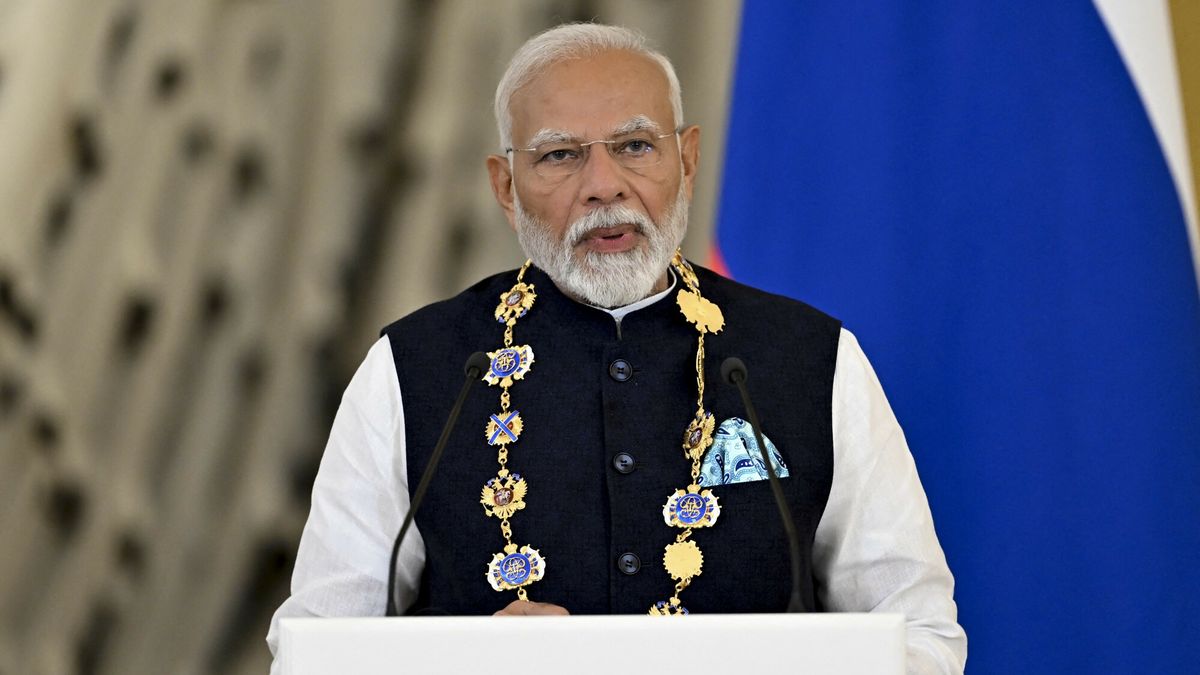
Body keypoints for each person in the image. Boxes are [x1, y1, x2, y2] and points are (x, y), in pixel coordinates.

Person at [267, 23, 967, 674]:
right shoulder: (414, 369)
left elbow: (922, 636)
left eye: (635, 146)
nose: (604, 186)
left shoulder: (813, 358)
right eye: (560, 155)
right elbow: (315, 650)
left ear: (687, 160)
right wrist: (467, 661)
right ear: (506, 188)